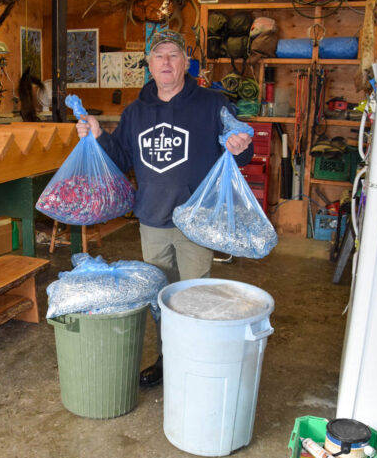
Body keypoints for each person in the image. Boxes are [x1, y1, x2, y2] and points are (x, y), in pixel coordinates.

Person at [75, 29, 253, 386]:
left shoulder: (212, 104)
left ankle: (198, 361)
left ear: (186, 64)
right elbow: (122, 157)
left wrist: (241, 144)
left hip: (196, 221)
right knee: (160, 297)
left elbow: (241, 150)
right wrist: (98, 135)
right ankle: (167, 360)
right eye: (159, 56)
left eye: (174, 55)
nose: (167, 62)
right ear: (150, 65)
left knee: (195, 295)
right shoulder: (135, 112)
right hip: (152, 220)